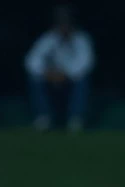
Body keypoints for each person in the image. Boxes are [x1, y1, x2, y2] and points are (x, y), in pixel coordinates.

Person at [24, 4, 94, 132]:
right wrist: (47, 73)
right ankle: (43, 118)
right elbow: (32, 60)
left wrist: (65, 74)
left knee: (82, 80)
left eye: (67, 22)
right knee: (34, 79)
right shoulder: (48, 38)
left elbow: (85, 62)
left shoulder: (81, 39)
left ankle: (75, 119)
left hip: (70, 80)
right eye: (61, 22)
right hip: (50, 78)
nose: (64, 26)